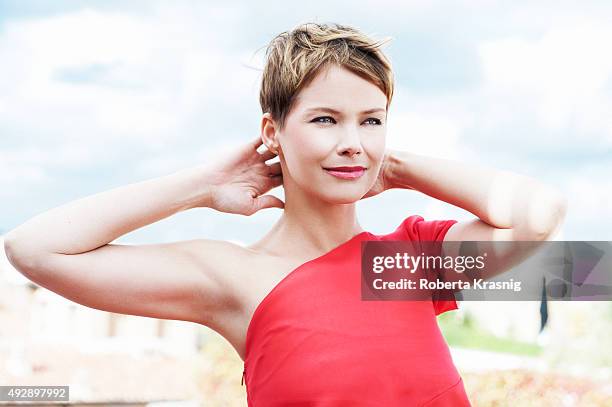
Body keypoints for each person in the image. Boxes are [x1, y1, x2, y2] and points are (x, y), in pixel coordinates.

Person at [4, 22, 567, 406]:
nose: (352, 141)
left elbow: (539, 213)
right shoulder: (232, 278)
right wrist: (203, 186)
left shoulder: (406, 262)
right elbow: (33, 248)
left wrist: (395, 166)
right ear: (272, 131)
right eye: (325, 119)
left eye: (371, 120)